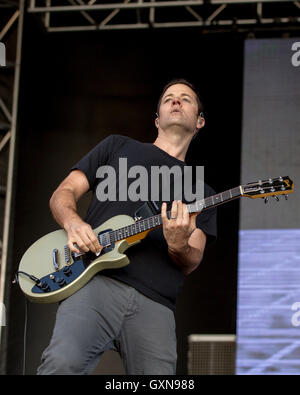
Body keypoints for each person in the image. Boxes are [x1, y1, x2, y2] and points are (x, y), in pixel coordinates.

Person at [37, 78, 217, 375]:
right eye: (169, 97)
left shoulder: (203, 192)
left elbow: (192, 258)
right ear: (157, 119)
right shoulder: (117, 146)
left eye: (185, 98)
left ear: (199, 121)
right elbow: (63, 193)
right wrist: (73, 223)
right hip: (94, 282)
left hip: (156, 303)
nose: (176, 101)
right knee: (61, 364)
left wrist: (178, 244)